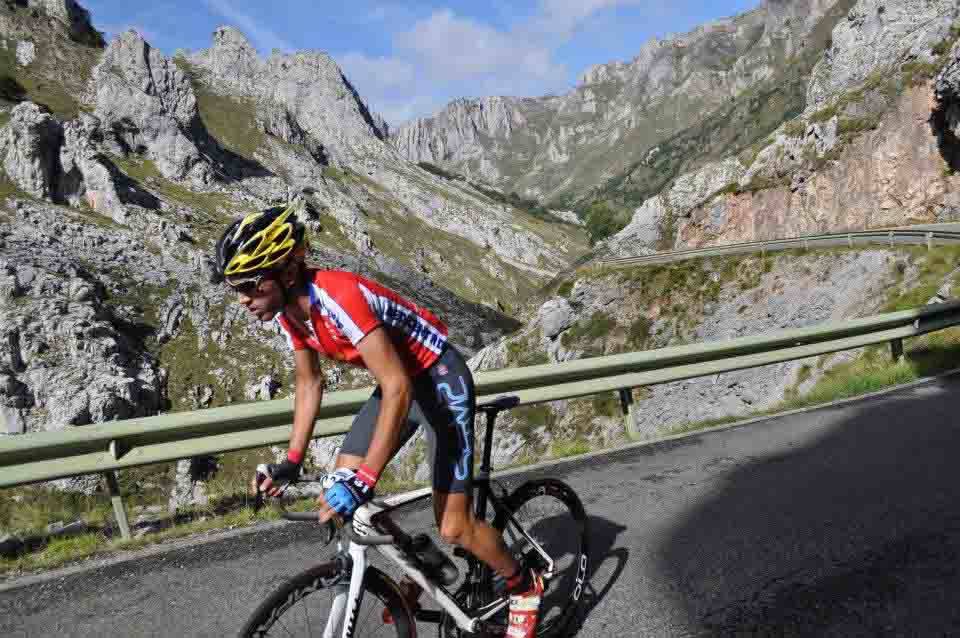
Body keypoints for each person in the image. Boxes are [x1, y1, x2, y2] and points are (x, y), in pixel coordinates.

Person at [216, 201, 543, 636]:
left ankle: (524, 585)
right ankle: (422, 559)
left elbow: (397, 387)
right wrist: (292, 461)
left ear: (287, 275)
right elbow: (309, 384)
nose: (243, 299)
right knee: (339, 487)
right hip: (400, 381)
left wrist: (369, 476)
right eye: (237, 287)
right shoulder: (289, 314)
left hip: (438, 378)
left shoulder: (339, 297)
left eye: (251, 285)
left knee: (455, 524)